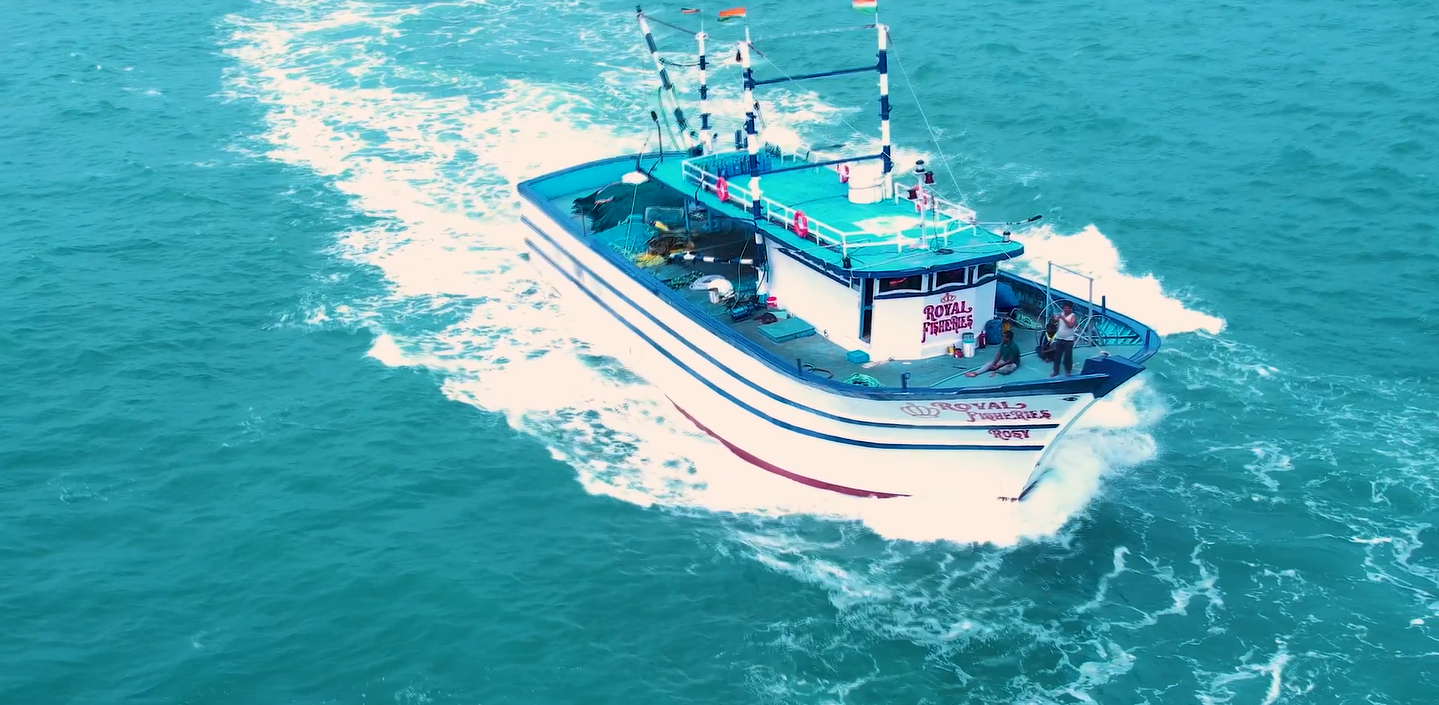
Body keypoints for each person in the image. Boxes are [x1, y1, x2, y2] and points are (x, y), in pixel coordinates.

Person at [1051, 301, 1079, 377]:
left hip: (1068, 340)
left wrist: (1063, 318)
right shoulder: (1061, 314)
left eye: (1066, 308)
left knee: (1068, 356)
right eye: (1064, 308)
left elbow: (1070, 325)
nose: (1065, 309)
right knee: (1057, 356)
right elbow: (1056, 322)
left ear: (1070, 309)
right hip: (1059, 338)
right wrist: (1055, 319)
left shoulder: (1073, 316)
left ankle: (1068, 370)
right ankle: (1055, 370)